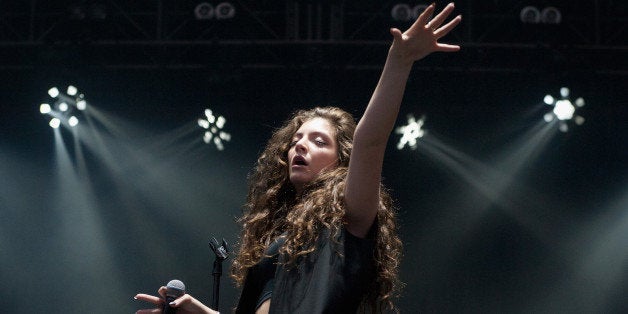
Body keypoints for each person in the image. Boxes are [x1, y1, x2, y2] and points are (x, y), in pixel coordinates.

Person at [135, 3, 461, 313]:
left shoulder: (350, 215)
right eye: (296, 140)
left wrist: (399, 61)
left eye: (319, 141)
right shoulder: (281, 237)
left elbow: (370, 141)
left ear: (343, 160)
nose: (300, 146)